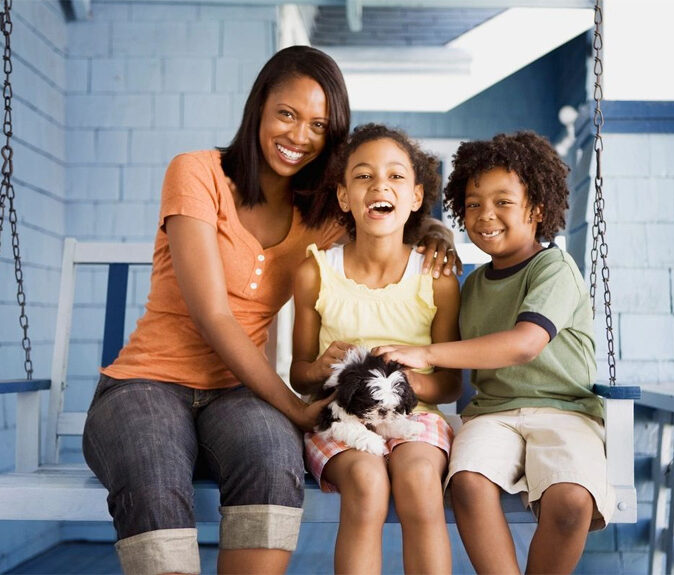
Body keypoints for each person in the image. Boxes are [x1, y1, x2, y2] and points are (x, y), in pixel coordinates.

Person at [81, 47, 457, 575]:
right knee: (154, 474)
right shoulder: (197, 173)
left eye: (319, 125)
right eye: (287, 114)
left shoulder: (321, 216)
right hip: (146, 382)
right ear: (259, 106)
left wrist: (434, 232)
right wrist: (295, 406)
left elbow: (382, 216)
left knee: (272, 461)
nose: (299, 135)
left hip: (238, 393)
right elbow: (214, 314)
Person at [375, 131, 615, 575]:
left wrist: (425, 352)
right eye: (472, 204)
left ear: (538, 209)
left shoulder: (554, 268)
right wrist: (435, 235)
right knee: (467, 483)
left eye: (503, 202)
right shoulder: (473, 283)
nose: (485, 215)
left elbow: (525, 344)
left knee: (571, 501)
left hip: (566, 413)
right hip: (492, 415)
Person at [290, 124, 462, 575]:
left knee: (420, 477)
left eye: (396, 177)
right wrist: (319, 368)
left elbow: (448, 384)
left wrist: (405, 381)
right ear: (344, 196)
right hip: (338, 419)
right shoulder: (316, 272)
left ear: (416, 196)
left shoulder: (436, 277)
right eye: (363, 176)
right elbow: (299, 374)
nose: (380, 185)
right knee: (367, 481)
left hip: (414, 414)